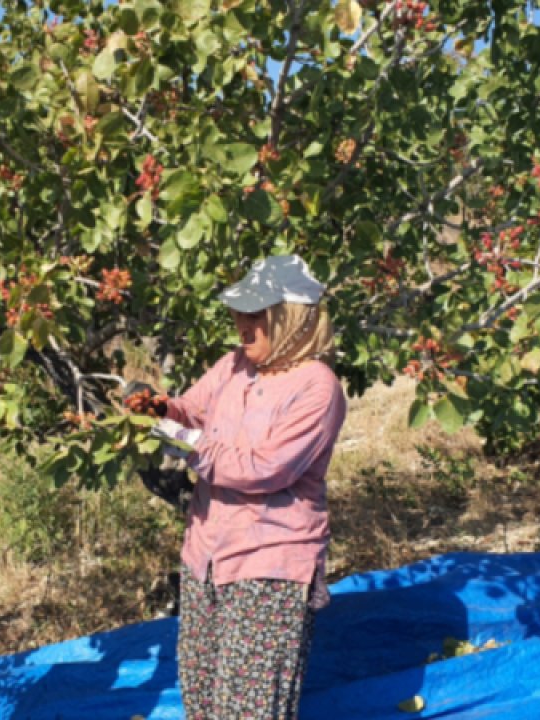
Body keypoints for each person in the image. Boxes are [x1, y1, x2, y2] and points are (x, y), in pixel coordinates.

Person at [148, 254, 347, 720]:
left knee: (247, 709)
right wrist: (159, 410)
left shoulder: (317, 388)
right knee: (200, 694)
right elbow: (191, 409)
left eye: (257, 314)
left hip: (269, 563)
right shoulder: (235, 366)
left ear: (294, 320)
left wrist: (191, 447)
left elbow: (266, 468)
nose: (242, 324)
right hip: (207, 556)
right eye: (240, 312)